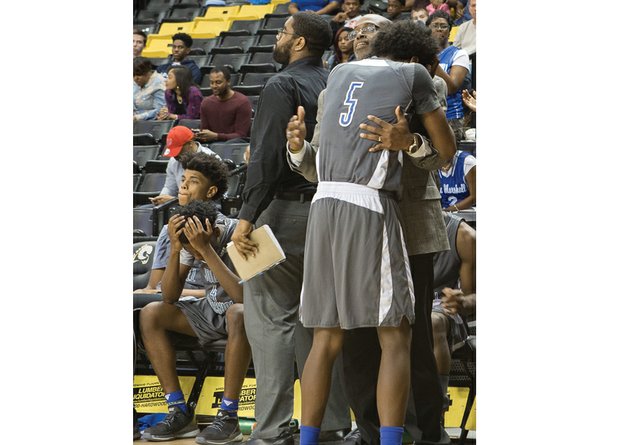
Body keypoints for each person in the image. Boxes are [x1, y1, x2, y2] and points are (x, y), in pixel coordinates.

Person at [285, 17, 456, 445]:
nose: (360, 35)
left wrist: (409, 142)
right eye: (356, 31)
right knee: (358, 344)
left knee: (407, 335)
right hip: (353, 206)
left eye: (370, 30)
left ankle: (424, 432)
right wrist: (298, 150)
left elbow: (441, 155)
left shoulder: (419, 79)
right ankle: (372, 430)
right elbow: (320, 162)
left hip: (405, 221)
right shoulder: (334, 86)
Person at [230, 12, 352, 445]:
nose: (279, 38)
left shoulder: (282, 84)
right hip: (329, 212)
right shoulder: (336, 81)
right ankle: (332, 424)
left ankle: (272, 428)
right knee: (320, 324)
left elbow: (265, 157)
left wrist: (246, 216)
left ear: (299, 43)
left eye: (283, 32)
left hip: (282, 211)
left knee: (270, 322)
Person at [139, 196, 252, 443]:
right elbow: (169, 296)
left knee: (238, 312)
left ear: (211, 230)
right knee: (152, 313)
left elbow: (243, 297)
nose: (194, 255)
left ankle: (229, 416)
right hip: (210, 311)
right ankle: (178, 411)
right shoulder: (189, 238)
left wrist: (206, 250)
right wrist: (177, 249)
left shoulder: (239, 234)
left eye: (194, 248)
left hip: (249, 317)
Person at [134, 152, 230, 295]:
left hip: (209, 304)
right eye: (183, 179)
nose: (183, 186)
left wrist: (170, 293)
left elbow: (225, 293)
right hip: (173, 299)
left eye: (193, 181)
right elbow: (154, 286)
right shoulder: (170, 228)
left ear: (211, 191)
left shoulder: (225, 229)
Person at [431, 212, 475, 415]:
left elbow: (474, 296)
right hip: (400, 303)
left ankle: (436, 403)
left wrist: (462, 300)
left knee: (433, 322)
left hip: (442, 308)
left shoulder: (463, 235)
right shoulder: (388, 226)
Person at [150, 125, 219, 206]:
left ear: (190, 144)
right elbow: (169, 188)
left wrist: (174, 201)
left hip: (206, 208)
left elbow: (208, 198)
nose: (175, 156)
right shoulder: (174, 161)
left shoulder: (211, 160)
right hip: (180, 205)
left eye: (178, 151)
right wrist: (161, 199)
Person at [428, 10, 470, 141]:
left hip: (451, 117)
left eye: (444, 26)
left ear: (450, 31)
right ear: (428, 29)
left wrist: (432, 60)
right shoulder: (419, 52)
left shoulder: (459, 54)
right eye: (435, 25)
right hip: (427, 114)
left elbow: (452, 87)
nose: (439, 29)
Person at [197, 66, 253, 143]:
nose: (214, 86)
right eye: (212, 82)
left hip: (233, 145)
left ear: (228, 82)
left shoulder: (242, 102)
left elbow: (241, 135)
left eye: (218, 82)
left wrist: (217, 136)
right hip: (212, 146)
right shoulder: (206, 103)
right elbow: (205, 131)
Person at [134, 57, 166, 121]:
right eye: (133, 75)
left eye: (138, 75)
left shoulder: (159, 84)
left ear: (148, 73)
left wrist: (138, 117)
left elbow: (160, 111)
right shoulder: (134, 82)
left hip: (151, 123)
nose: (135, 78)